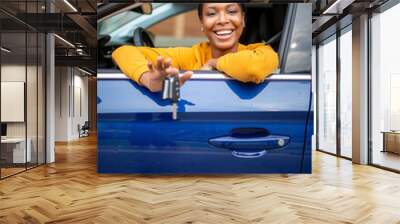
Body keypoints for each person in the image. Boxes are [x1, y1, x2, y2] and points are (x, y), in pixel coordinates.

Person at [112, 3, 279, 92]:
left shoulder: (262, 52)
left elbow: (251, 68)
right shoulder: (191, 55)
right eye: (212, 13)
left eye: (232, 11)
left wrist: (214, 63)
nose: (222, 20)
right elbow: (123, 51)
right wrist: (148, 79)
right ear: (202, 23)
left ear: (243, 19)